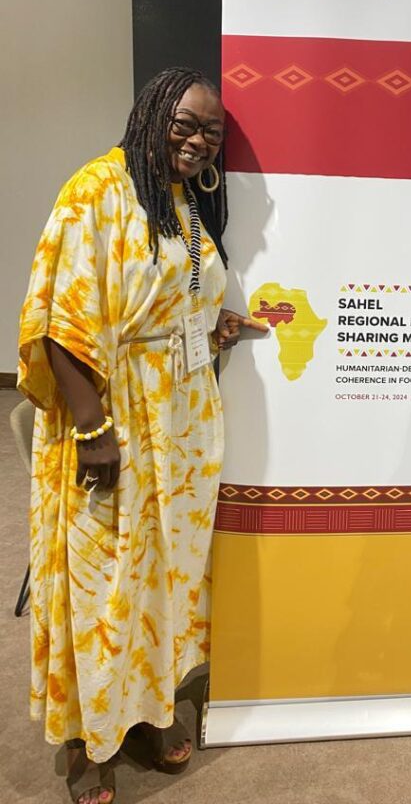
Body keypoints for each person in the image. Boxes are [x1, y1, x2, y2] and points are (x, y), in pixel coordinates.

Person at [18, 67, 267, 804]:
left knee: (165, 581)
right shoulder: (94, 190)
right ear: (151, 114)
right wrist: (94, 429)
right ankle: (88, 737)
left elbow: (174, 298)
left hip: (183, 426)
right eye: (183, 123)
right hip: (115, 419)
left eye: (210, 132)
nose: (195, 140)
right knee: (103, 583)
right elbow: (59, 328)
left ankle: (150, 710)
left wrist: (210, 327)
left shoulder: (186, 203)